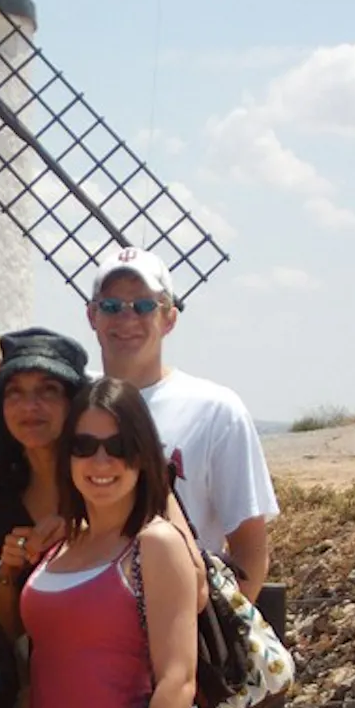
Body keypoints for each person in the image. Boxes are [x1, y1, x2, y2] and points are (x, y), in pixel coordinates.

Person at [14, 377, 204, 708]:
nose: (101, 461)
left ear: (142, 455)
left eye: (118, 447)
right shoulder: (61, 543)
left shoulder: (155, 543)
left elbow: (177, 681)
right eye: (84, 446)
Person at [85, 247, 276, 601]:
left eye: (144, 306)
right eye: (111, 306)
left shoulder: (217, 410)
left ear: (169, 318)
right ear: (92, 315)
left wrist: (208, 634)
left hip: (182, 625)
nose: (127, 318)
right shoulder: (73, 402)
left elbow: (250, 552)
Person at [0, 328, 91, 636]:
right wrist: (6, 575)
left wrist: (90, 537)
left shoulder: (109, 480)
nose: (29, 407)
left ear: (74, 403)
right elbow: (10, 631)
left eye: (48, 390)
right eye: (15, 392)